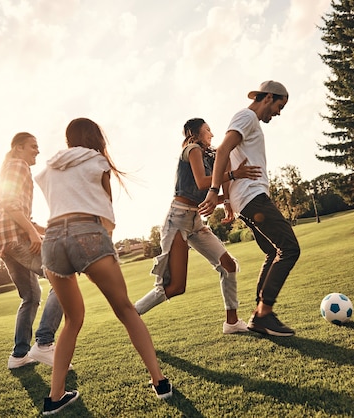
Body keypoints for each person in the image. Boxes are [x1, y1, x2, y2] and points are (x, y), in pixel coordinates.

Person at [34, 117, 172, 415]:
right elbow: (107, 207)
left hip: (53, 238)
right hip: (88, 232)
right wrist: (101, 244)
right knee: (124, 308)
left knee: (73, 319)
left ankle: (54, 397)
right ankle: (159, 381)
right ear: (94, 137)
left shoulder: (47, 168)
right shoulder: (98, 160)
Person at [134, 118, 262, 334]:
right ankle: (131, 313)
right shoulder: (192, 149)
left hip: (195, 222)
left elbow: (213, 190)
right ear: (195, 133)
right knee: (175, 286)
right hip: (177, 220)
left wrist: (229, 200)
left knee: (228, 265)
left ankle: (231, 323)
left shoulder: (211, 156)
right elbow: (204, 183)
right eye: (208, 130)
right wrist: (233, 174)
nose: (212, 134)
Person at [199, 81, 300, 337]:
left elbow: (230, 155)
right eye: (279, 106)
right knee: (289, 248)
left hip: (248, 199)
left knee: (271, 251)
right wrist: (214, 191)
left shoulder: (247, 121)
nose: (278, 112)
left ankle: (260, 315)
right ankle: (264, 314)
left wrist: (231, 201)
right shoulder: (247, 117)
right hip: (253, 198)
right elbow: (223, 149)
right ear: (267, 98)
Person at [0, 132, 65, 369]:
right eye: (33, 146)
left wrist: (50, 229)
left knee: (31, 296)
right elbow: (11, 205)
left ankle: (19, 355)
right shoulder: (18, 165)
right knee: (62, 274)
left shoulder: (13, 166)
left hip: (5, 240)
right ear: (18, 148)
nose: (37, 151)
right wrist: (34, 235)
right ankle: (44, 344)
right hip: (15, 238)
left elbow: (23, 215)